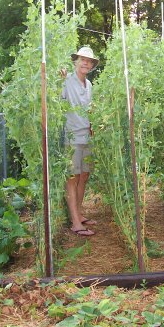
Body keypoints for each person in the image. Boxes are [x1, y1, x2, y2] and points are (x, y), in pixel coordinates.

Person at [62, 46, 99, 236]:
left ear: (92, 65)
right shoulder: (66, 81)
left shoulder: (89, 85)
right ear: (76, 61)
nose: (85, 62)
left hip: (86, 135)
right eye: (82, 59)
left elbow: (90, 110)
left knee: (84, 175)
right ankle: (75, 223)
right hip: (72, 136)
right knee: (72, 177)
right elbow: (55, 96)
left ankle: (78, 214)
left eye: (89, 60)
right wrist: (59, 76)